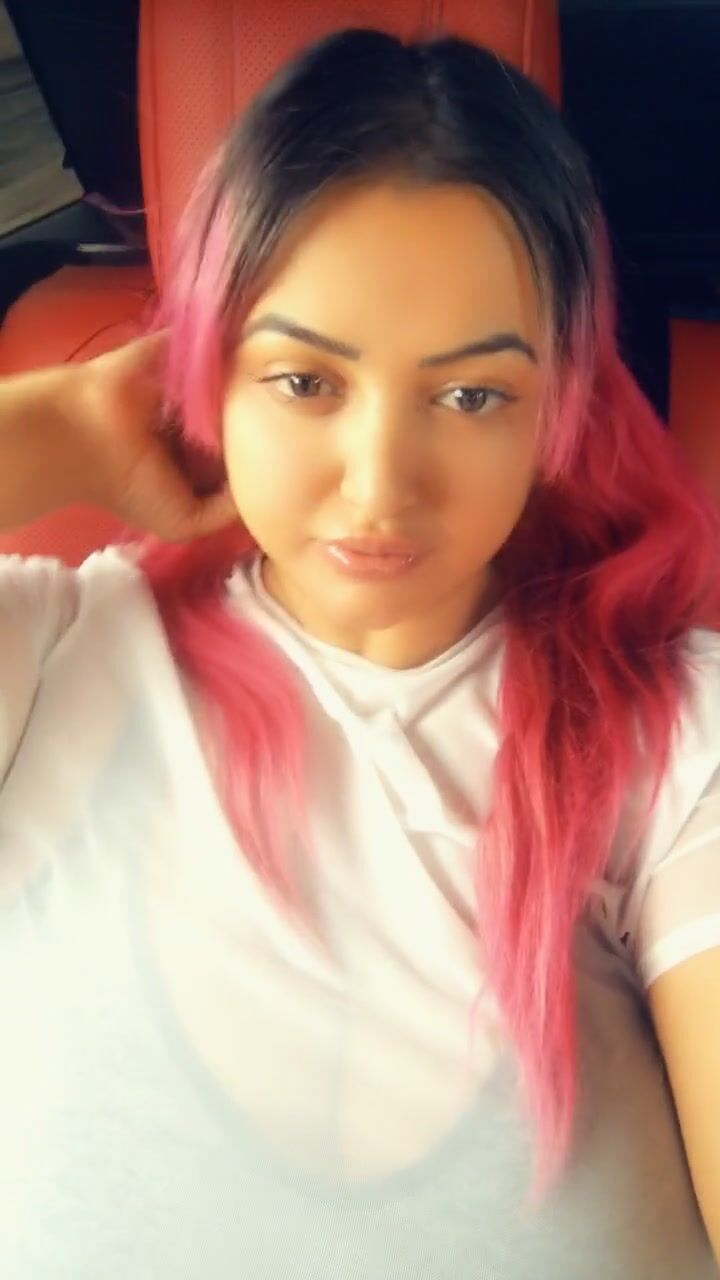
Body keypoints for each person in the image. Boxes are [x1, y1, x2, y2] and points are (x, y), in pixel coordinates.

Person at [1, 28, 719, 1280]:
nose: (381, 486)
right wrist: (64, 427)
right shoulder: (47, 656)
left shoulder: (670, 731)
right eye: (304, 381)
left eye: (471, 395)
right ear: (207, 374)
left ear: (556, 409)